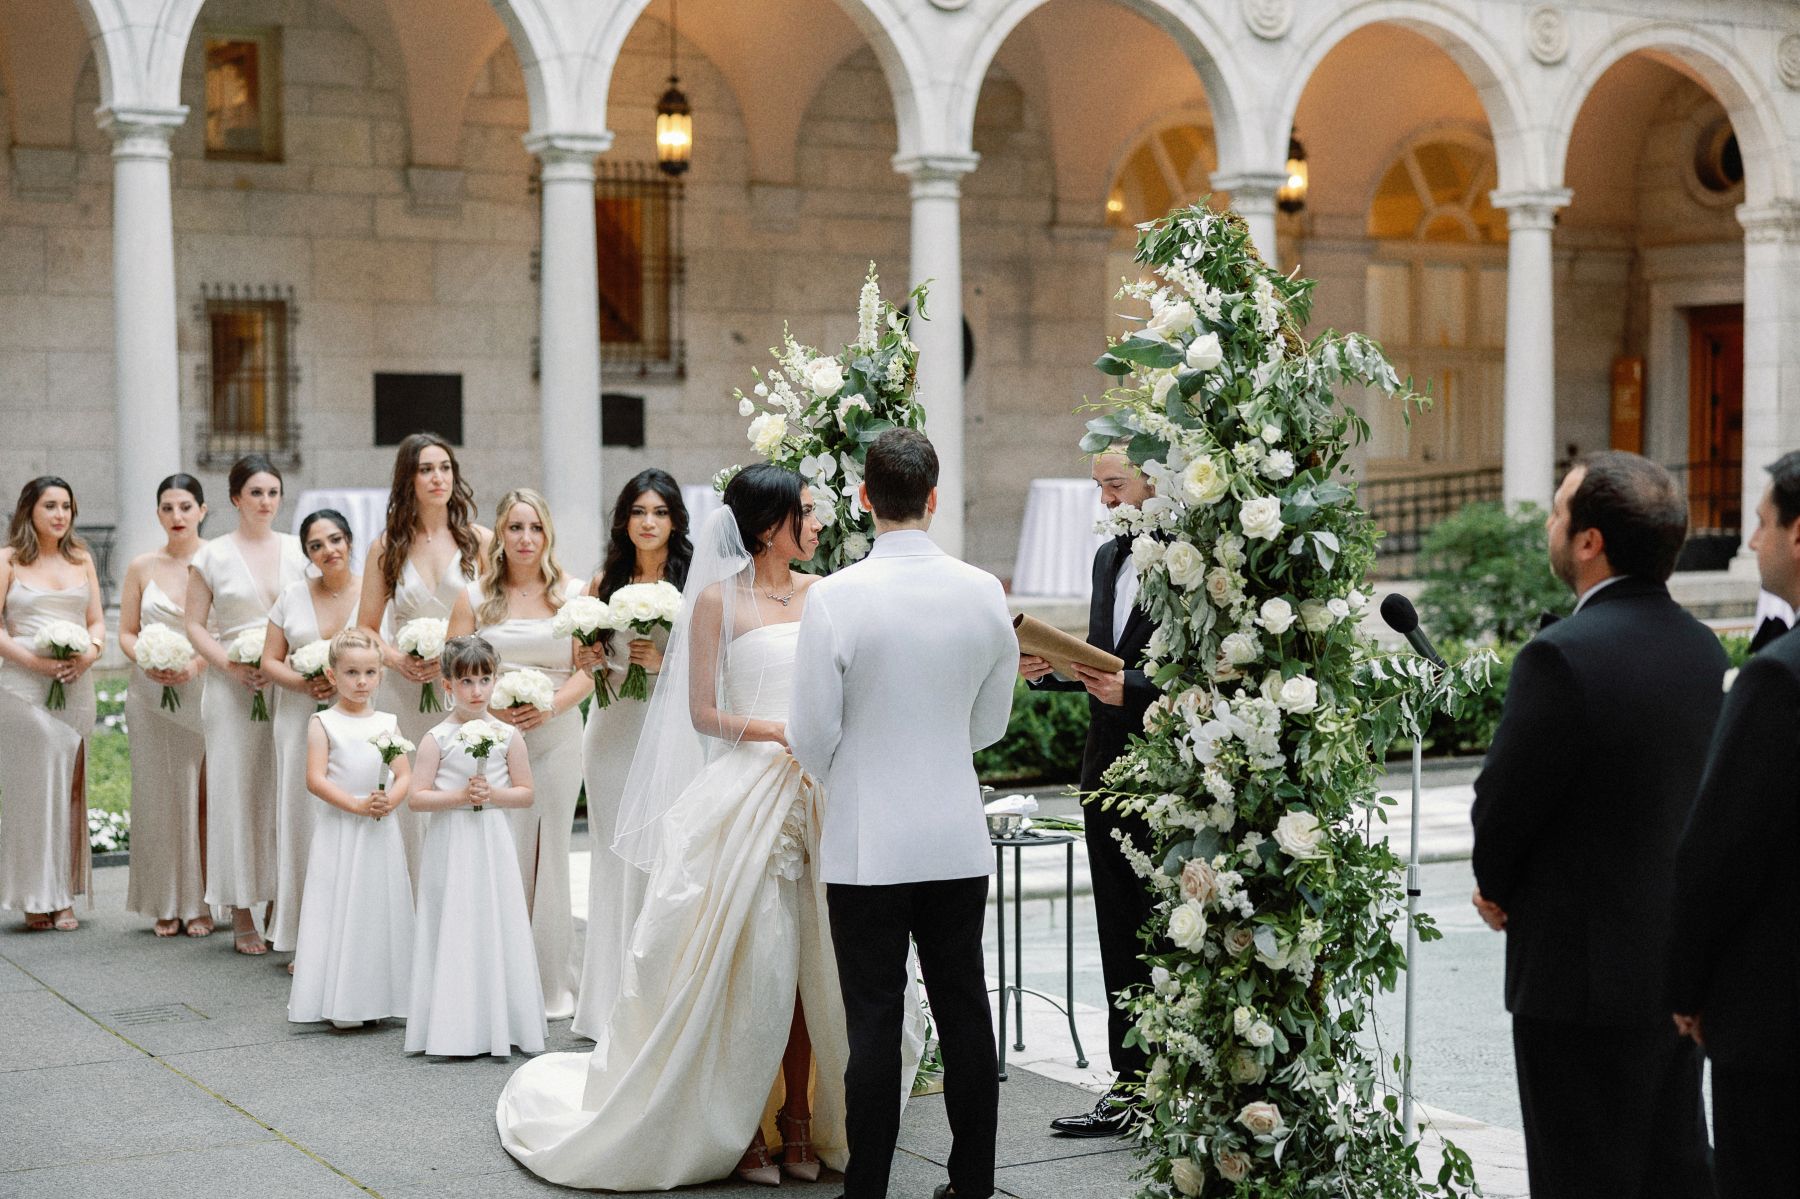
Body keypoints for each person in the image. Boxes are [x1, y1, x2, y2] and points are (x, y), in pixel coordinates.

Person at [497, 464, 892, 1190]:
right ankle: (740, 1124)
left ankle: (800, 1119)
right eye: (802, 513)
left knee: (816, 965)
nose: (814, 526)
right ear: (769, 522)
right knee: (755, 967)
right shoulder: (713, 600)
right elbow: (702, 712)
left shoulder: (825, 595)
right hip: (747, 791)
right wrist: (781, 730)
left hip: (821, 794)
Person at [1470, 451, 1720, 1199]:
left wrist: (1495, 885)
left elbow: (1503, 801)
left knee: (1579, 1174)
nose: (1549, 522)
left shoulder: (1559, 655)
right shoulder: (1702, 648)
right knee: (1670, 1166)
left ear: (1590, 541)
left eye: (1557, 510)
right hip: (1671, 969)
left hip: (1573, 982)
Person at [790, 429, 1017, 1199]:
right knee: (964, 1008)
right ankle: (974, 1185)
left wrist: (851, 776)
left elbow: (809, 735)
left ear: (862, 497)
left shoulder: (833, 596)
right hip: (955, 834)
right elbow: (989, 726)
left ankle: (869, 1190)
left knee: (874, 1021)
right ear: (932, 497)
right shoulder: (985, 590)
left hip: (867, 841)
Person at [1668, 450, 1800, 1197]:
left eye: (1761, 523)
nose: (1751, 541)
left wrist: (1687, 988)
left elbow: (1719, 851)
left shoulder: (1777, 676)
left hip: (1776, 1027)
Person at [1017, 447, 1160, 1135]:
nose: (1104, 499)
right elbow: (1106, 655)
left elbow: (1216, 673)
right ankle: (1131, 1086)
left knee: (1172, 931)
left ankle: (1184, 1086)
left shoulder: (1200, 561)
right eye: (1100, 485)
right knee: (1119, 935)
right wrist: (1053, 668)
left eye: (1114, 484)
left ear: (1156, 480)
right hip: (1105, 772)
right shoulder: (1109, 560)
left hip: (1172, 772)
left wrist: (1132, 687)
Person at [449, 489, 591, 1020]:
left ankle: (550, 980)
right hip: (492, 738)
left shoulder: (573, 596)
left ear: (547, 534)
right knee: (498, 850)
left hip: (556, 737)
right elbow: (454, 672)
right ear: (500, 536)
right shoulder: (474, 599)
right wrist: (490, 710)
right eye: (514, 528)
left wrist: (550, 707)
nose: (525, 539)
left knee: (550, 850)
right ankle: (494, 979)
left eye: (534, 528)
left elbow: (587, 670)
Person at [571, 469, 692, 1041]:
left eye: (660, 512)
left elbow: (714, 665)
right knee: (612, 859)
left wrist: (663, 666)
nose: (649, 522)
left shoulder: (692, 582)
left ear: (675, 521)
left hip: (667, 733)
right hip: (612, 729)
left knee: (661, 855)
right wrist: (590, 658)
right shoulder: (604, 580)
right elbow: (585, 657)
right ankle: (605, 1006)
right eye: (639, 511)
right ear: (624, 519)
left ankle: (657, 1001)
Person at [186, 454, 306, 955]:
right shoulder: (211, 555)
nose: (265, 502)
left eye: (273, 492)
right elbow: (194, 624)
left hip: (287, 684)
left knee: (283, 786)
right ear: (235, 498)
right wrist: (232, 666)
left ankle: (282, 900)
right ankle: (239, 911)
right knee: (235, 791)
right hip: (230, 688)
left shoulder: (299, 550)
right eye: (255, 492)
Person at [358, 432, 491, 885]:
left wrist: (459, 661)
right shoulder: (387, 546)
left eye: (445, 468)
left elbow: (496, 617)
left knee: (457, 787)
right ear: (408, 479)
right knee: (409, 792)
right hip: (404, 689)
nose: (438, 478)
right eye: (426, 469)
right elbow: (365, 628)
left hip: (464, 689)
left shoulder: (480, 542)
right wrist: (396, 659)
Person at [406, 634, 544, 1058]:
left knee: (494, 919)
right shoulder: (437, 738)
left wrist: (492, 796)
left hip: (492, 843)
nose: (477, 690)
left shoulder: (507, 735)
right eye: (466, 681)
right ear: (447, 684)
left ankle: (503, 1021)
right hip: (451, 842)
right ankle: (452, 1026)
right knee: (454, 920)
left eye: (485, 680)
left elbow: (525, 793)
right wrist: (461, 798)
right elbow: (416, 797)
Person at [287, 627, 414, 1030]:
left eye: (370, 673)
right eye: (352, 673)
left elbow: (404, 773)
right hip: (343, 826)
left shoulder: (388, 722)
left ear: (380, 674)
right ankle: (341, 1000)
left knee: (376, 907)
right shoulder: (324, 722)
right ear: (332, 675)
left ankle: (378, 996)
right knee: (339, 904)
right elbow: (316, 779)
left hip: (379, 825)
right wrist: (357, 804)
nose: (362, 682)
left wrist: (389, 802)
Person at [0, 476, 105, 931]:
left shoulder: (82, 558)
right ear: (30, 511)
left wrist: (90, 653)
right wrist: (37, 665)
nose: (60, 515)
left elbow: (97, 620)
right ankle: (33, 894)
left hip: (75, 685)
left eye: (66, 506)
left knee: (70, 790)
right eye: (50, 506)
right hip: (23, 687)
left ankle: (62, 896)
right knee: (33, 792)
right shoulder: (8, 561)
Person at [263, 510, 362, 959]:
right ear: (307, 554)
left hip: (358, 719)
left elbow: (382, 649)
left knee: (355, 819)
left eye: (335, 539)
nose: (329, 550)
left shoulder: (372, 591)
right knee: (301, 820)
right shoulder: (291, 595)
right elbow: (270, 661)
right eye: (316, 545)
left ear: (350, 541)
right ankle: (303, 938)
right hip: (299, 716)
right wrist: (305, 683)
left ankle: (355, 933)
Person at [118, 474, 211, 937]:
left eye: (186, 507)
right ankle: (165, 900)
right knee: (157, 796)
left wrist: (194, 664)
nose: (177, 516)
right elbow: (126, 631)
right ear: (158, 514)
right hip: (149, 695)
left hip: (202, 690)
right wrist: (147, 659)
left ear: (202, 510)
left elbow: (225, 629)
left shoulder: (215, 562)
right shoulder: (141, 566)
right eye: (168, 508)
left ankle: (202, 901)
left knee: (201, 796)